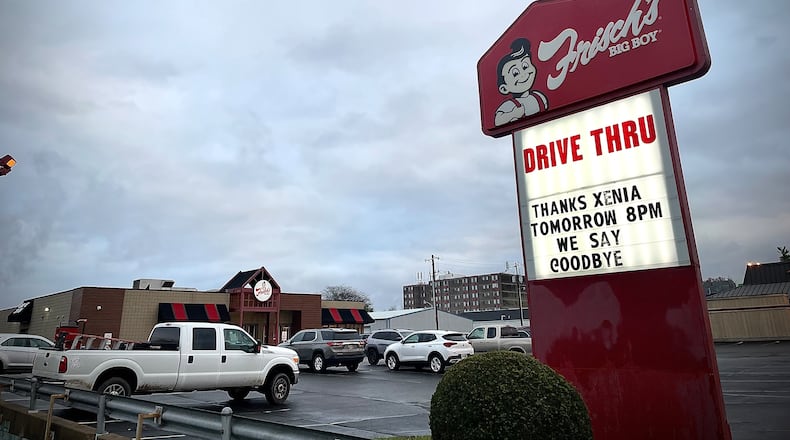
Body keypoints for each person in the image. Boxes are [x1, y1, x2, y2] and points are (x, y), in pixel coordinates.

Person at [494, 38, 549, 127]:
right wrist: (513, 114)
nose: (523, 74)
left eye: (525, 66)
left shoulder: (539, 96)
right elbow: (497, 121)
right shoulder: (510, 105)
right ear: (504, 88)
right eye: (515, 73)